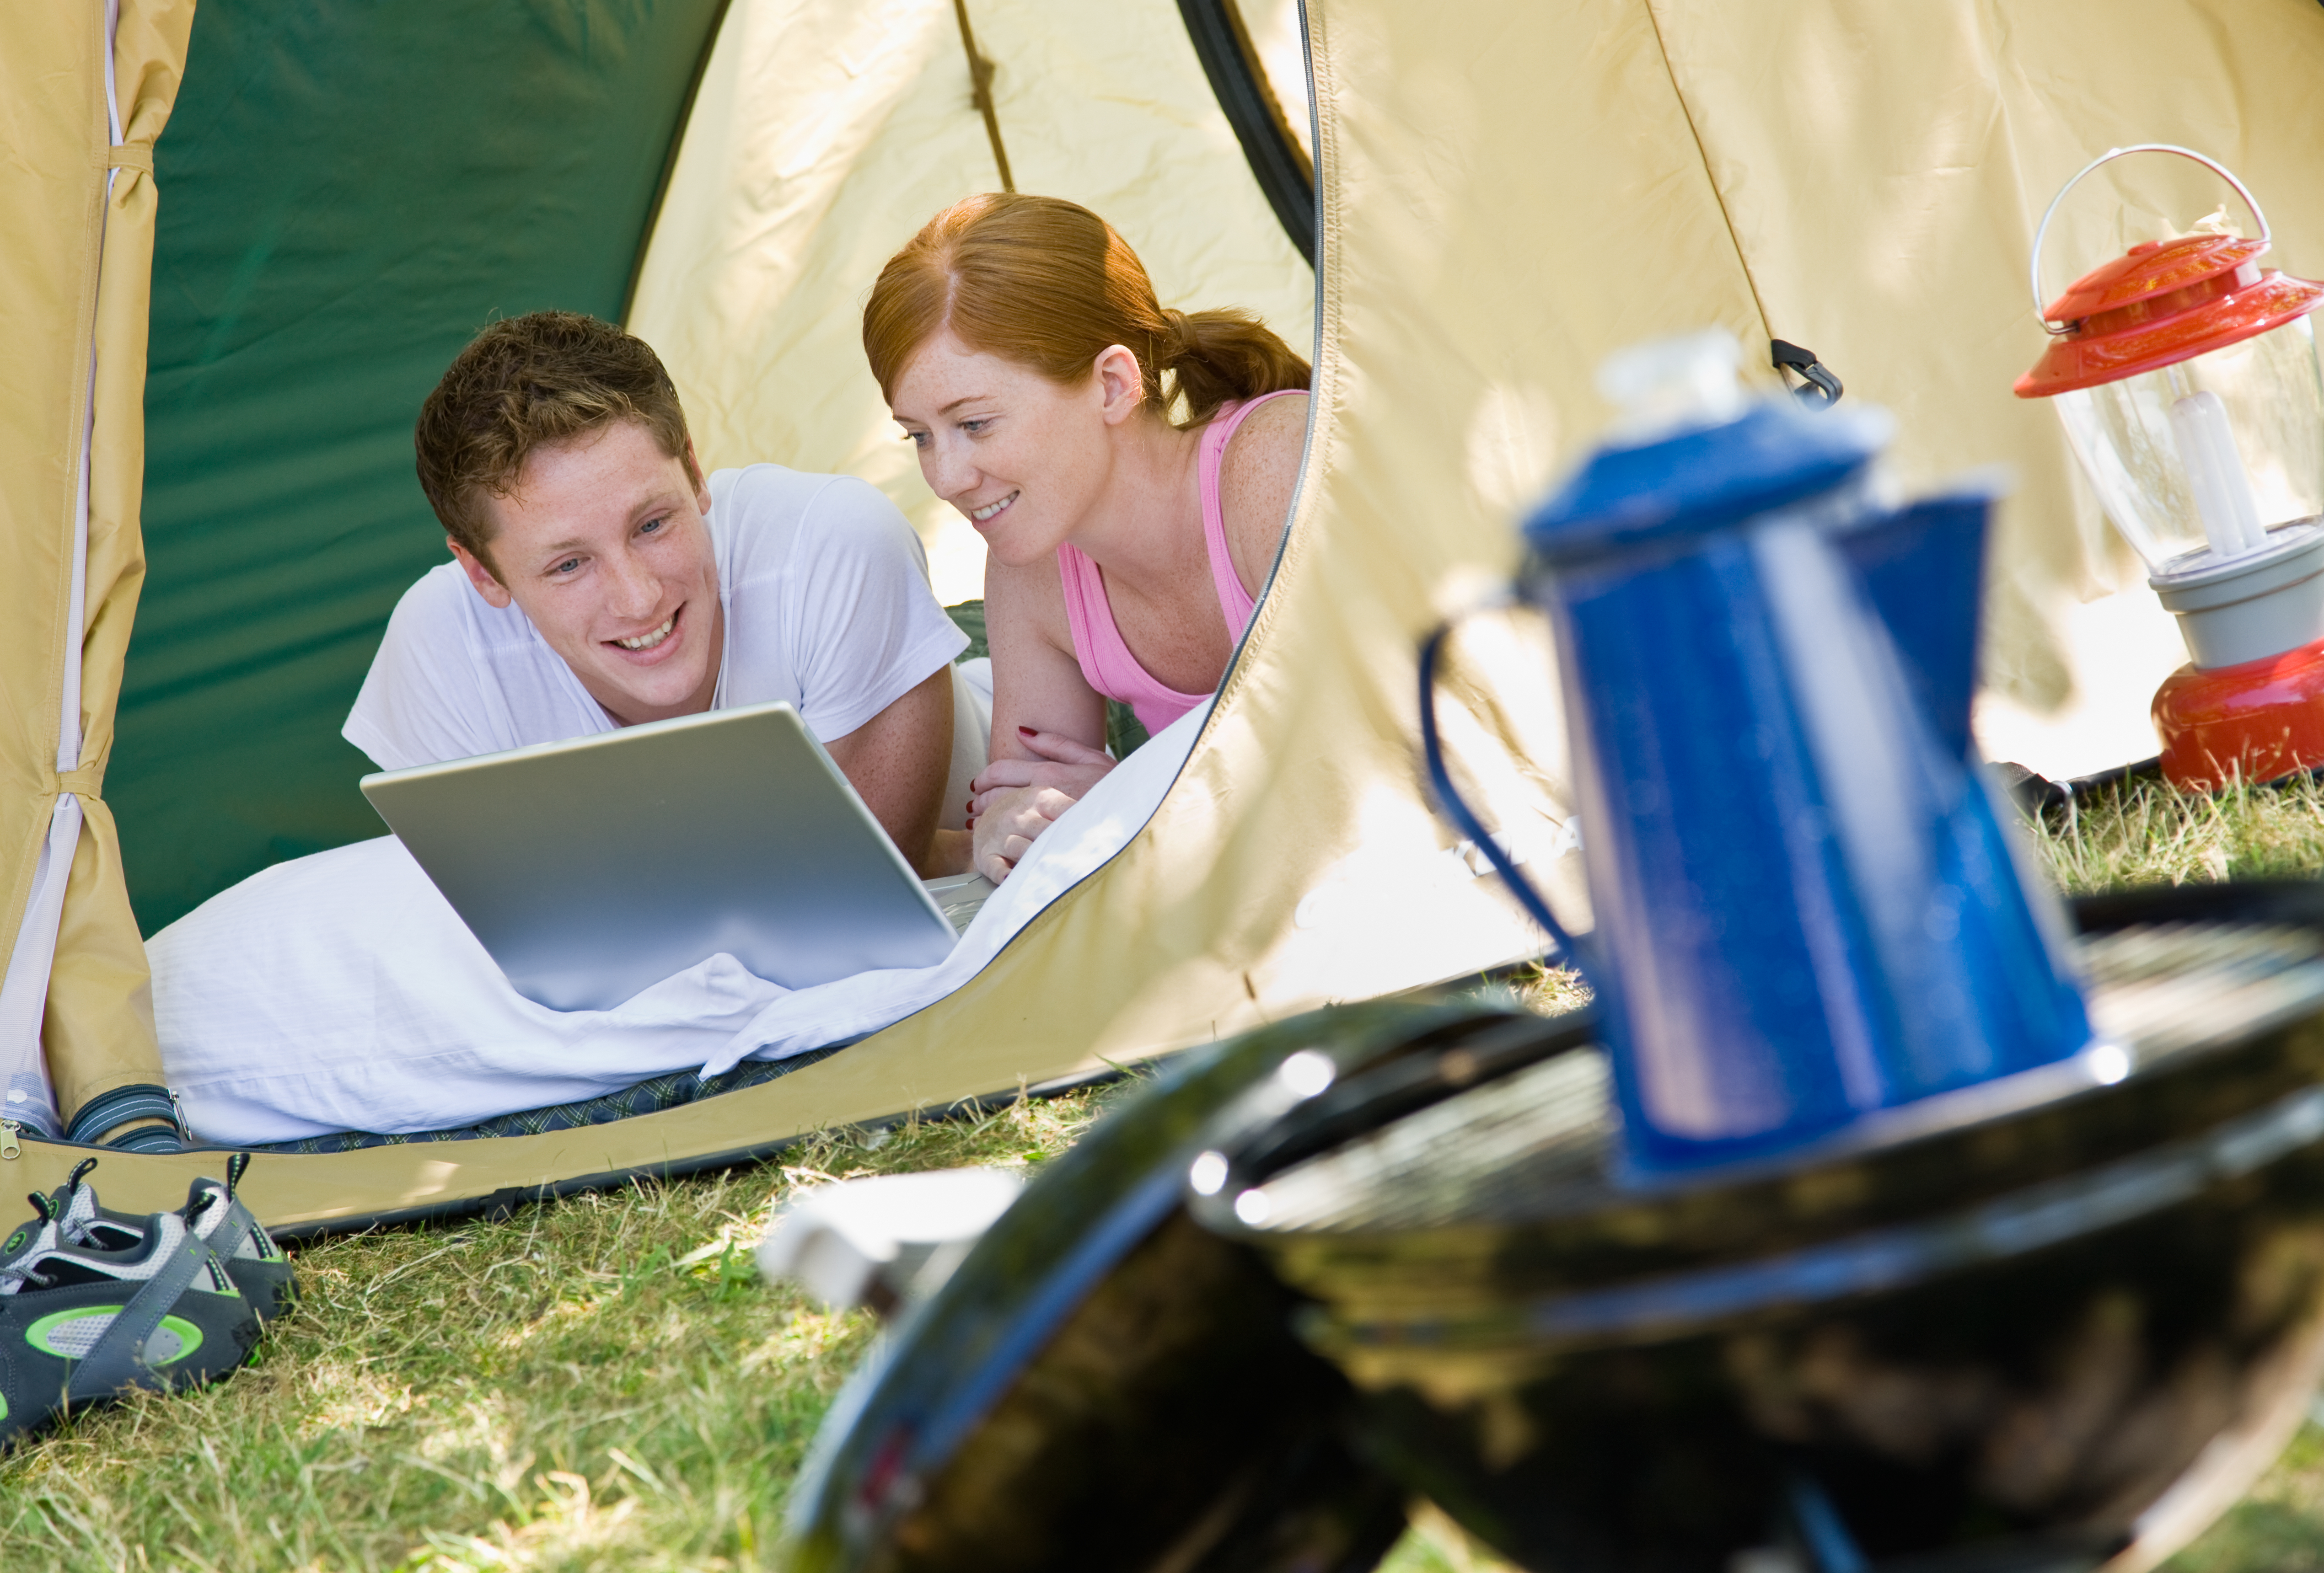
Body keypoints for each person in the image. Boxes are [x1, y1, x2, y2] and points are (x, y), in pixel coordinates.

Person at [352, 310, 979, 876]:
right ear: (484, 575)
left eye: (652, 525)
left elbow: (863, 891)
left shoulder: (832, 542)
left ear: (695, 473)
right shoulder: (443, 647)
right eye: (569, 565)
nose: (639, 599)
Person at [864, 194, 1310, 885]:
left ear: (1112, 385)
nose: (946, 478)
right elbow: (1018, 802)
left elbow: (1374, 755)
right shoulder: (1031, 567)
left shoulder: (1273, 469)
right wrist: (1007, 830)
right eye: (919, 436)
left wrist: (1134, 802)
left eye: (975, 424)